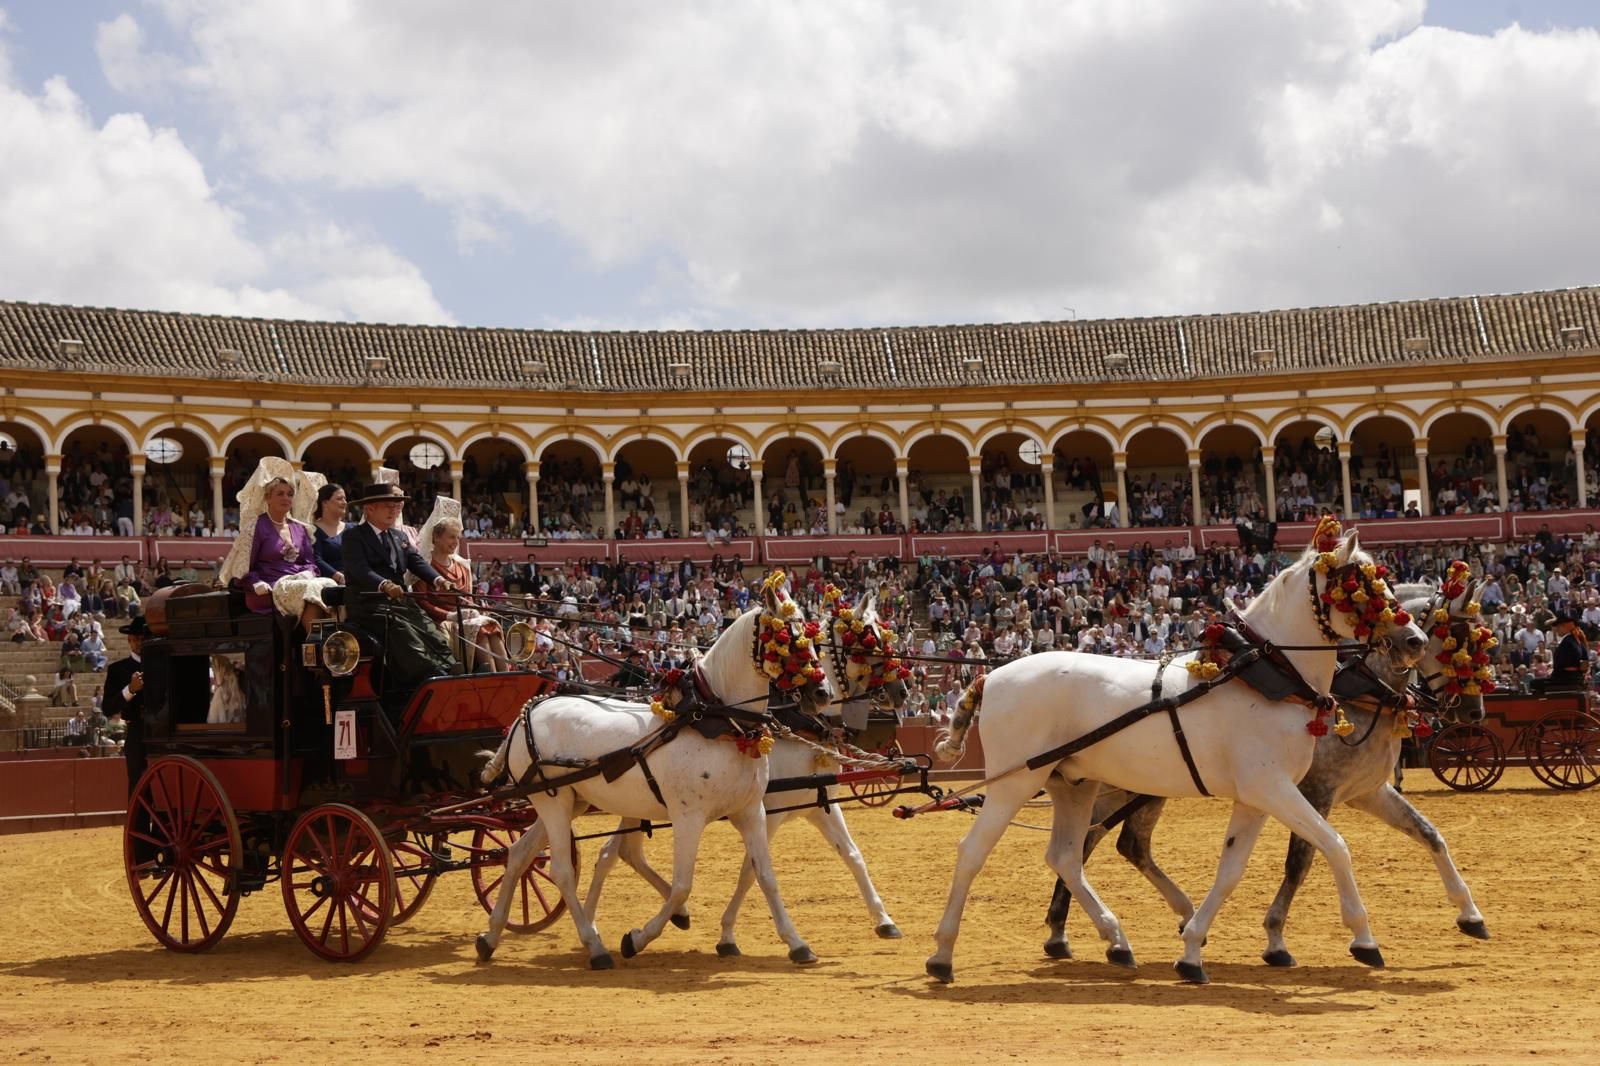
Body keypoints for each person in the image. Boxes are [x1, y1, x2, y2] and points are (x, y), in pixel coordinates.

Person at [342, 482, 457, 692]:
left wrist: (440, 580)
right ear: (370, 509)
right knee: (405, 633)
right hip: (369, 604)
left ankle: (450, 670)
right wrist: (384, 584)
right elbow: (359, 569)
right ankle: (427, 678)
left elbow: (417, 562)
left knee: (431, 632)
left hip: (400, 602)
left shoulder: (399, 536)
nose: (394, 511)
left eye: (396, 506)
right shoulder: (354, 536)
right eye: (388, 506)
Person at [218, 457, 336, 631]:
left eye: (290, 494)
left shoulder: (300, 528)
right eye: (280, 493)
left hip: (299, 582)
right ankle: (318, 649)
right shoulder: (256, 526)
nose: (286, 498)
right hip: (270, 586)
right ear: (267, 498)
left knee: (329, 586)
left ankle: (324, 646)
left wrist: (308, 572)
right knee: (310, 591)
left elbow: (310, 562)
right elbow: (243, 566)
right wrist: (255, 582)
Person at [413, 497, 509, 673]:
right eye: (451, 537)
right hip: (440, 621)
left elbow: (465, 599)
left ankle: (507, 677)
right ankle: (492, 676)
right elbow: (423, 603)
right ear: (435, 536)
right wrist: (450, 615)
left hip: (462, 618)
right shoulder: (423, 566)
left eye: (458, 537)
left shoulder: (461, 567)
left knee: (491, 626)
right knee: (478, 629)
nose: (456, 543)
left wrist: (472, 608)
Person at [102, 615, 150, 797]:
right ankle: (138, 826)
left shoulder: (164, 664)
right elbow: (108, 708)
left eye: (143, 638)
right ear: (129, 641)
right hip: (137, 730)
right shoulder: (117, 669)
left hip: (163, 731)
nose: (139, 642)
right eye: (136, 638)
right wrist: (130, 689)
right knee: (138, 784)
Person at [312, 482, 349, 585]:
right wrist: (339, 577)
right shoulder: (312, 530)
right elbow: (316, 559)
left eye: (345, 498)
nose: (345, 502)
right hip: (330, 583)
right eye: (339, 499)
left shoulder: (352, 528)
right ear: (325, 503)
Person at [1548, 611, 1589, 689]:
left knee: (1535, 683)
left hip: (1565, 679)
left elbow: (1560, 664)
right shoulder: (1577, 640)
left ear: (1565, 627)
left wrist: (1552, 674)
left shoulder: (1567, 642)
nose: (1556, 630)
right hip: (1576, 677)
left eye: (1558, 627)